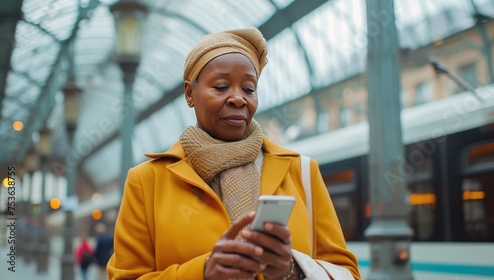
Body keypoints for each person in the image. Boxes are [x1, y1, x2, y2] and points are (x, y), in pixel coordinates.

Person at [107, 27, 360, 280]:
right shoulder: (147, 180)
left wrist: (292, 271)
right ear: (189, 93)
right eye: (220, 86)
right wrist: (202, 273)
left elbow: (347, 273)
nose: (238, 99)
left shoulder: (301, 171)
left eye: (249, 89)